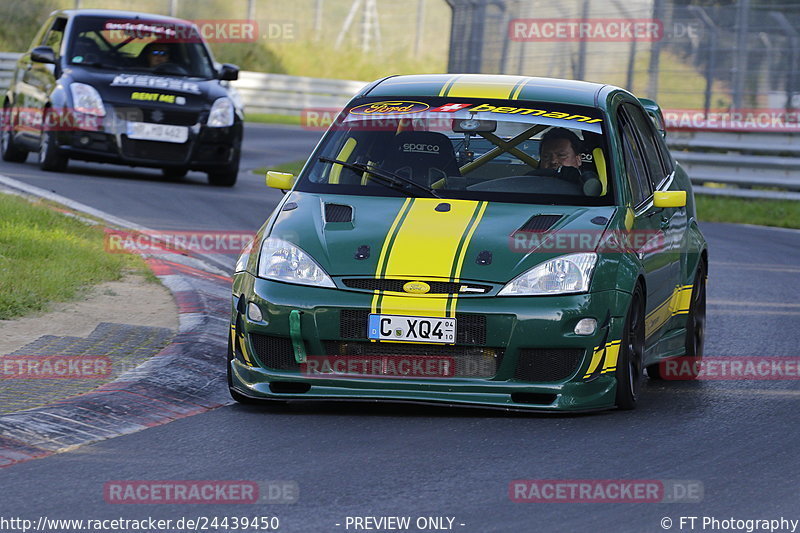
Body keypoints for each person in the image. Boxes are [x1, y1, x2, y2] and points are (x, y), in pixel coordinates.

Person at [538, 127, 602, 196]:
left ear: (578, 159)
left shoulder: (590, 189)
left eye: (561, 155)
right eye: (546, 157)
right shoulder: (529, 187)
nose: (553, 161)